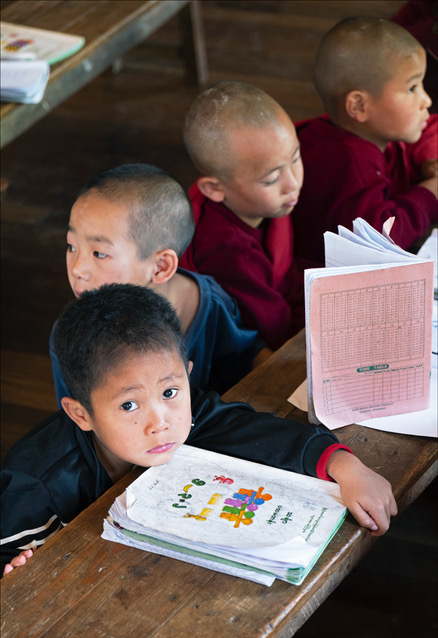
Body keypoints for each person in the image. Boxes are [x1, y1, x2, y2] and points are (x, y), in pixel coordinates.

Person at [1, 284, 397, 576]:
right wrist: (12, 571)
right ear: (81, 414)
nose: (161, 422)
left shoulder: (186, 418)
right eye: (129, 405)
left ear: (187, 378)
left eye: (171, 391)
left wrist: (347, 468)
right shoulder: (36, 484)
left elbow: (259, 434)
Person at [50, 163, 271, 401]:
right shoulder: (73, 336)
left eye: (99, 253)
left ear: (161, 267)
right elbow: (78, 424)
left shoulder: (206, 301)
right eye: (71, 246)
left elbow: (244, 355)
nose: (77, 268)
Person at [292, 16, 438, 270]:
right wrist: (430, 194)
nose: (425, 99)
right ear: (359, 106)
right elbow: (377, 244)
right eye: (412, 88)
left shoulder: (355, 132)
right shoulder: (351, 163)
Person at [179, 81, 305, 350]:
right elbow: (275, 330)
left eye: (295, 158)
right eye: (272, 179)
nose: (292, 183)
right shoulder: (227, 251)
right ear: (214, 188)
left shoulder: (264, 202)